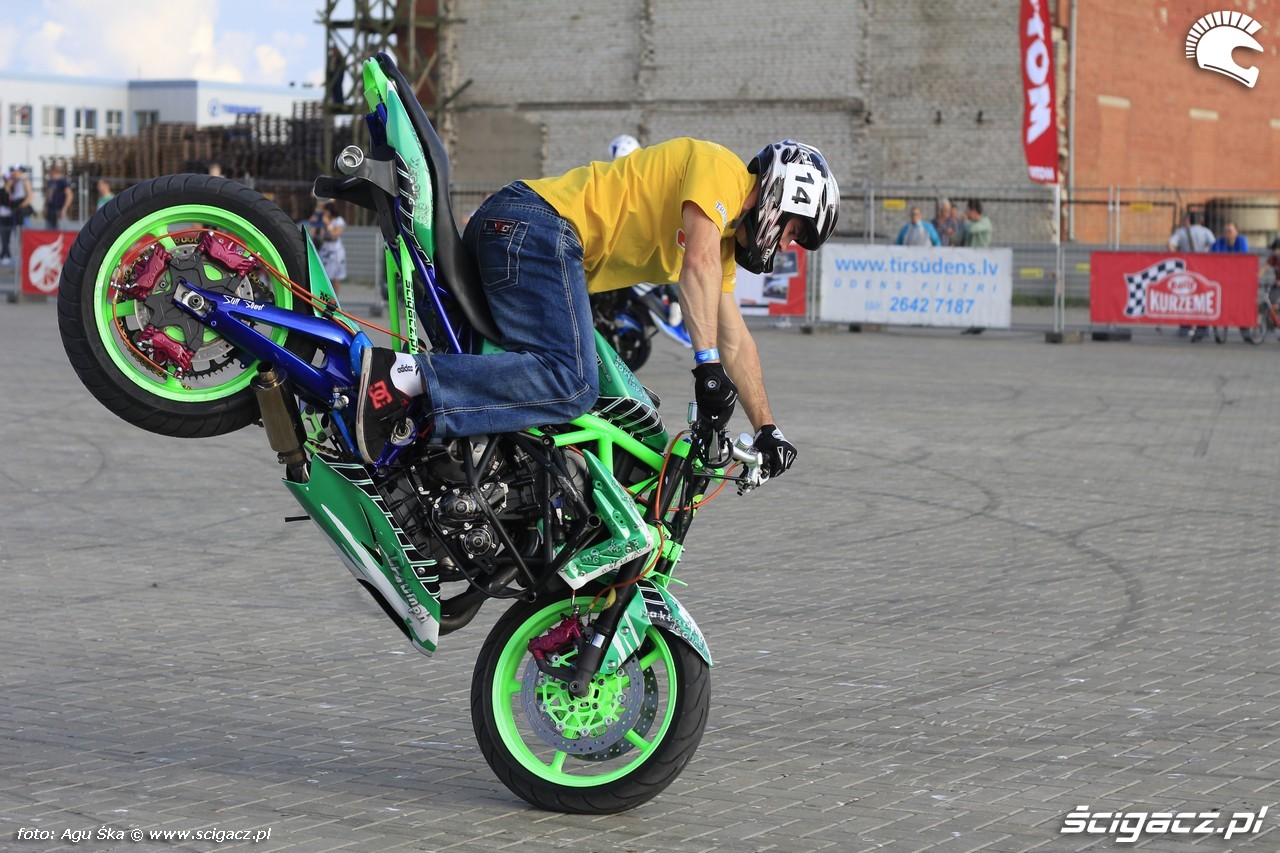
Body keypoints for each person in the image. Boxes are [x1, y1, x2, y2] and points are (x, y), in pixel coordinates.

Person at [352, 137, 840, 478]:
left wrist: (767, 427)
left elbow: (736, 340)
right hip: (537, 226)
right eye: (795, 230)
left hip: (524, 234)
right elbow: (698, 265)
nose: (789, 246)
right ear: (781, 195)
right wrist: (707, 368)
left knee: (572, 394)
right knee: (572, 381)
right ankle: (400, 378)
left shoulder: (725, 244)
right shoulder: (722, 171)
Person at [1168, 212, 1215, 340]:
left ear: (1189, 220)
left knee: (1185, 297)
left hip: (1186, 267)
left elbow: (1170, 244)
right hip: (1203, 267)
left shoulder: (1181, 231)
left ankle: (1185, 327)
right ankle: (1202, 328)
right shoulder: (1206, 231)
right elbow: (1213, 246)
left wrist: (1177, 255)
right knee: (1202, 298)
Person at [1210, 222, 1251, 341]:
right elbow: (1212, 259)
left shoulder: (1241, 241)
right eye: (1225, 231)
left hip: (1238, 281)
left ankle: (1245, 332)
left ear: (1236, 232)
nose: (1226, 234)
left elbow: (1243, 259)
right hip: (1222, 279)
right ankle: (1201, 331)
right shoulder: (1218, 242)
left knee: (1241, 306)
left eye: (1229, 231)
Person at [310, 200, 346, 291]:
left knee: (335, 277)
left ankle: (335, 297)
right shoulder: (322, 220)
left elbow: (334, 235)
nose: (324, 213)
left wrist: (327, 224)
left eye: (326, 211)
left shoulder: (339, 221)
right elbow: (313, 226)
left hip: (335, 250)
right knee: (324, 274)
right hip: (325, 248)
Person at [44, 165, 71, 230]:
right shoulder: (50, 182)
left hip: (59, 209)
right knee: (49, 230)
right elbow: (49, 196)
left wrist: (64, 208)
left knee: (61, 230)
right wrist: (45, 206)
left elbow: (69, 196)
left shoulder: (63, 182)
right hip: (51, 210)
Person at [7, 165, 32, 229]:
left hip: (22, 205)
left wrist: (22, 205)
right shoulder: (14, 182)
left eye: (16, 172)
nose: (14, 174)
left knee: (26, 226)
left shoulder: (25, 181)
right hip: (15, 205)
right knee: (16, 227)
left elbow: (30, 195)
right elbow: (8, 190)